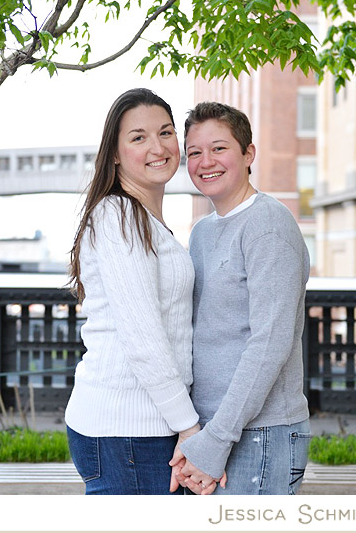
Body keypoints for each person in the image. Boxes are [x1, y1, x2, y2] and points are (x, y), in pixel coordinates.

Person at [65, 88, 212, 495]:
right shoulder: (117, 217)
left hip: (146, 428)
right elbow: (144, 338)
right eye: (138, 137)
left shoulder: (145, 220)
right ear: (114, 153)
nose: (157, 146)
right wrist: (190, 427)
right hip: (127, 432)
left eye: (165, 133)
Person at [170, 101, 311, 495]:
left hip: (259, 434)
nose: (205, 161)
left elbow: (269, 343)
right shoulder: (201, 232)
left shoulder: (267, 225)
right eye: (195, 152)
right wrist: (200, 434)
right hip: (213, 430)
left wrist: (217, 440)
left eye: (219, 148)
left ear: (248, 154)